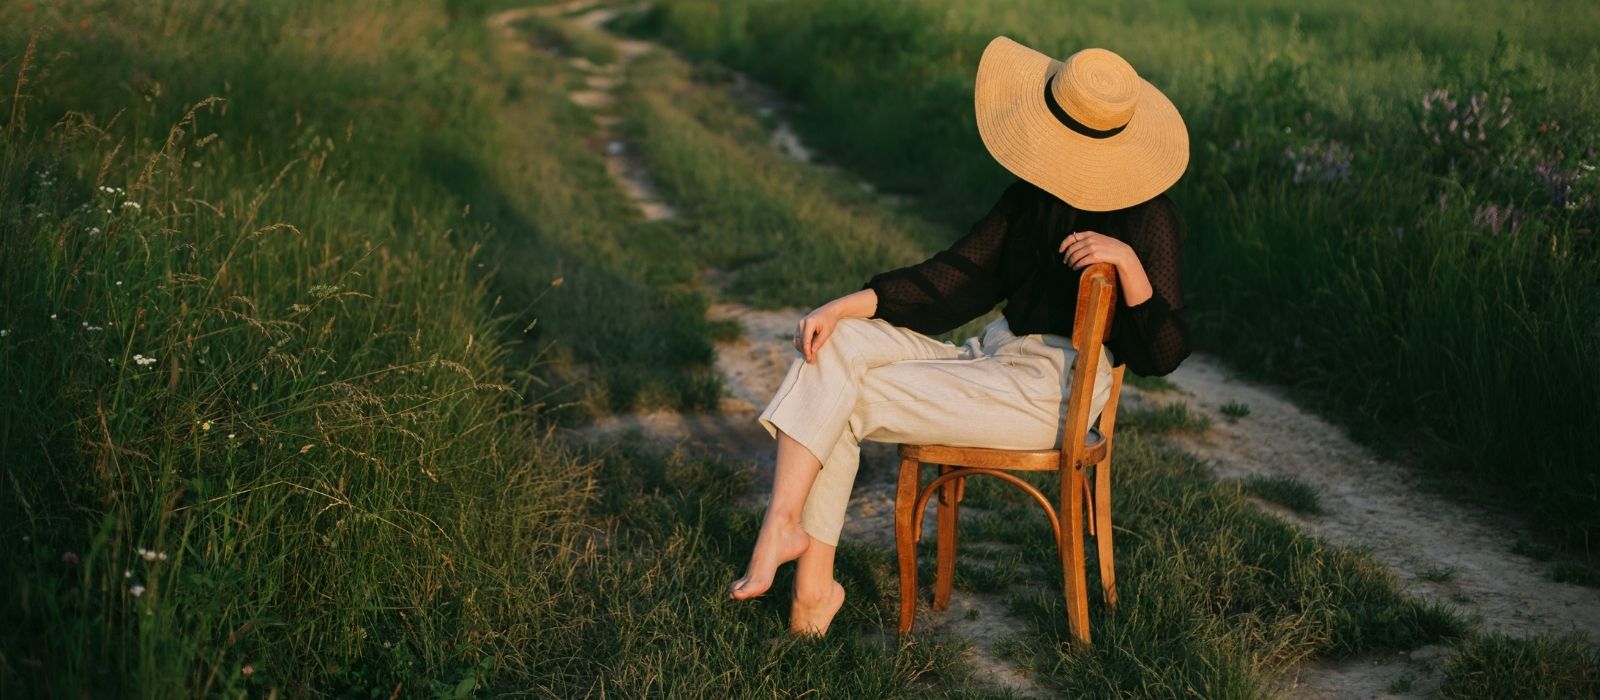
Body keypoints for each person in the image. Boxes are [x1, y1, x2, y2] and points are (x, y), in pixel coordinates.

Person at [728, 37, 1193, 637]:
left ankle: (811, 589)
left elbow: (1164, 352)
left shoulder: (1149, 216)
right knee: (837, 346)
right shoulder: (1032, 197)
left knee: (842, 396)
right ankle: (788, 535)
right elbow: (954, 280)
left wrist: (1128, 265)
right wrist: (844, 306)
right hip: (991, 356)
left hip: (1049, 392)